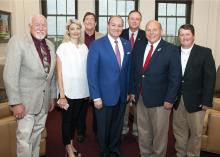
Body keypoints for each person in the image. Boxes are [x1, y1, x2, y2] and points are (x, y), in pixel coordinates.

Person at [3, 15, 56, 157]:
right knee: (24, 139)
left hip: (43, 102)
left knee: (37, 135)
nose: (41, 27)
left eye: (44, 25)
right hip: (24, 103)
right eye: (37, 24)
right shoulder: (18, 41)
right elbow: (10, 75)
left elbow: (51, 76)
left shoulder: (50, 45)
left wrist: (51, 97)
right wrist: (15, 102)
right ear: (29, 26)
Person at [130, 20, 181, 157]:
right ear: (144, 32)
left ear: (161, 31)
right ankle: (145, 154)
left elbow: (175, 77)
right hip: (141, 98)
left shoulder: (171, 49)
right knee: (143, 131)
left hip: (161, 101)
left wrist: (170, 98)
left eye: (155, 30)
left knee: (159, 134)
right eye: (148, 30)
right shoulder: (139, 47)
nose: (151, 33)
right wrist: (133, 91)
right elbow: (135, 71)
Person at [87, 16, 131, 157]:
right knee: (103, 126)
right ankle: (104, 149)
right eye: (113, 25)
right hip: (103, 95)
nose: (116, 28)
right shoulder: (97, 44)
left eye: (119, 26)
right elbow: (91, 73)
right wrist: (96, 96)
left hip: (122, 94)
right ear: (107, 25)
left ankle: (114, 146)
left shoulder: (126, 44)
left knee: (117, 124)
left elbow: (128, 70)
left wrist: (129, 90)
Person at [173, 24, 216, 157]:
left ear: (193, 36)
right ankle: (180, 153)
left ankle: (192, 154)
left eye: (187, 34)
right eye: (182, 34)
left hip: (197, 101)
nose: (184, 37)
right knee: (179, 131)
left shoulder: (205, 52)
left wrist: (206, 101)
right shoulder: (174, 51)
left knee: (196, 133)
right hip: (177, 100)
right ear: (179, 37)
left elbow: (210, 78)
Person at [56, 18, 89, 157]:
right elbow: (59, 73)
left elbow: (87, 70)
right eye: (72, 29)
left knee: (75, 121)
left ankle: (71, 144)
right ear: (68, 31)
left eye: (77, 28)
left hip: (83, 92)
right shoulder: (63, 47)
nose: (75, 31)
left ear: (81, 30)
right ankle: (68, 149)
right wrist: (62, 96)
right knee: (67, 122)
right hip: (68, 93)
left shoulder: (84, 47)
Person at [76, 12, 103, 143]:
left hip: (97, 76)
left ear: (96, 23)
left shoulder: (102, 37)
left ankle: (97, 130)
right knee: (81, 106)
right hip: (80, 76)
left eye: (92, 19)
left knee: (97, 105)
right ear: (83, 22)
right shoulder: (76, 35)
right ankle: (80, 131)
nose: (90, 21)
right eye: (87, 19)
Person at [120, 10, 146, 137]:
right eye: (132, 18)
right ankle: (123, 129)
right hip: (123, 76)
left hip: (139, 77)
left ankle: (136, 130)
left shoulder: (146, 35)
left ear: (140, 21)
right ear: (128, 20)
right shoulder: (120, 33)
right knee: (123, 106)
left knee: (138, 108)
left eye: (137, 19)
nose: (134, 21)